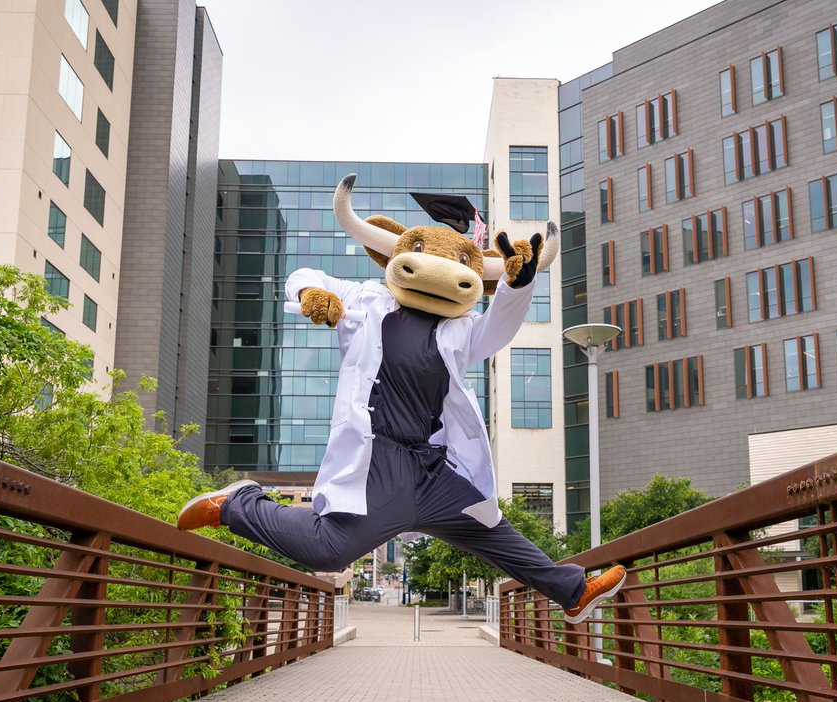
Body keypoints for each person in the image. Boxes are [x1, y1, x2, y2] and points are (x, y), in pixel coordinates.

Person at [178, 175, 625, 624]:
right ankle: (239, 503)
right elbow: (303, 274)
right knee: (328, 550)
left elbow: (502, 327)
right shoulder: (367, 300)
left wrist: (519, 283)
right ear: (397, 257)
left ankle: (574, 592)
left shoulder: (462, 330)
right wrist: (311, 294)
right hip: (381, 464)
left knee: (492, 528)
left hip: (433, 470)